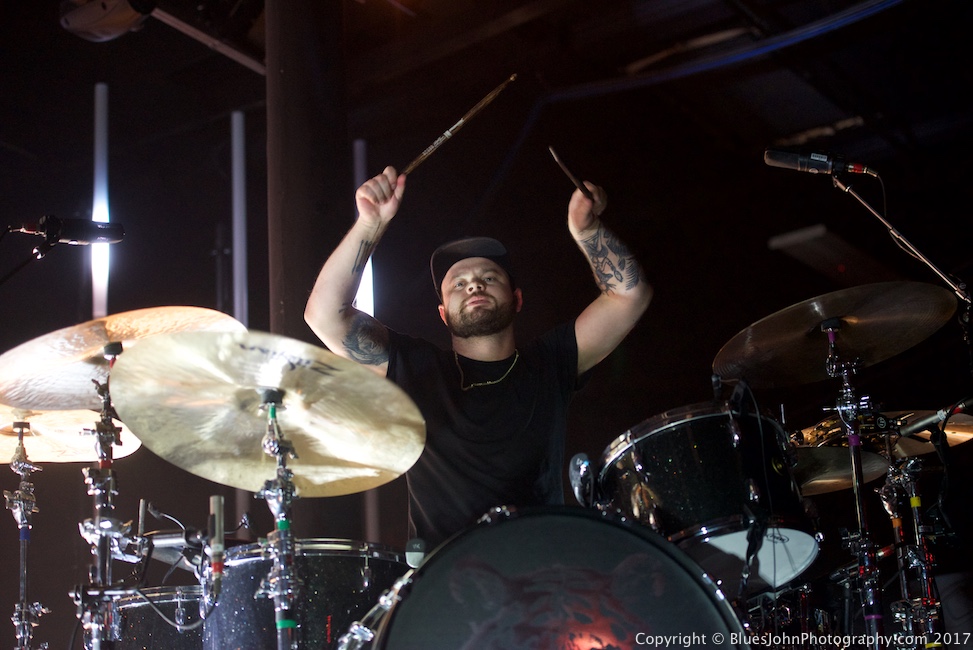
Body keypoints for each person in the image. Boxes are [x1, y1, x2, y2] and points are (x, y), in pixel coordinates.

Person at [304, 165, 651, 549]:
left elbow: (629, 295)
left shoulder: (550, 361)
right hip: (444, 574)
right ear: (443, 313)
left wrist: (586, 230)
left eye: (489, 277)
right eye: (458, 283)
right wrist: (369, 225)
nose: (474, 285)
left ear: (516, 300)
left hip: (541, 567)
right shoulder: (416, 368)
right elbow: (325, 315)